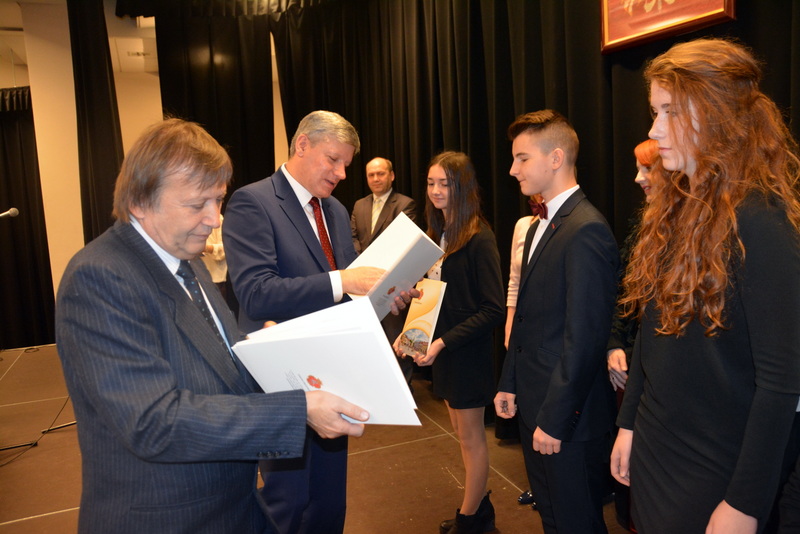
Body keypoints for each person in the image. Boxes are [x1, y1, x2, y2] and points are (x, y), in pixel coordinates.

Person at [54, 118, 369, 534]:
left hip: (231, 507)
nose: (215, 219)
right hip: (167, 518)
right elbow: (154, 423)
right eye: (197, 204)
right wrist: (298, 410)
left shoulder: (188, 263)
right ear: (141, 201)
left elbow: (216, 367)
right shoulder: (99, 276)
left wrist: (266, 349)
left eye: (218, 200)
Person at [610, 38, 800, 534]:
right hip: (657, 445)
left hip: (714, 467)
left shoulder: (762, 221)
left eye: (670, 112)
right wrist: (629, 424)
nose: (654, 129)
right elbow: (653, 332)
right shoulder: (675, 209)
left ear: (718, 115)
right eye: (655, 111)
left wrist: (744, 503)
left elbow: (782, 382)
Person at [223, 110, 413, 534]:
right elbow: (255, 292)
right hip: (282, 379)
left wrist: (387, 295)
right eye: (334, 160)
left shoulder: (335, 210)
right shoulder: (254, 202)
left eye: (346, 164)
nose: (342, 173)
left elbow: (349, 293)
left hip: (332, 375)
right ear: (302, 145)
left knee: (328, 504)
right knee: (286, 502)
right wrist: (343, 279)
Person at [495, 110, 619, 534]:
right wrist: (509, 381)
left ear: (555, 158)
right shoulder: (536, 228)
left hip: (567, 420)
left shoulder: (586, 229)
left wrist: (555, 419)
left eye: (522, 158)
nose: (513, 170)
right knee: (553, 520)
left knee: (576, 523)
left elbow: (585, 338)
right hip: (535, 404)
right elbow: (527, 317)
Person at [394, 151, 504, 534]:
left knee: (471, 440)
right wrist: (411, 334)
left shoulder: (480, 238)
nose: (436, 190)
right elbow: (432, 294)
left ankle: (470, 520)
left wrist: (441, 343)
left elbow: (493, 309)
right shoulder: (438, 234)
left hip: (466, 353)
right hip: (443, 350)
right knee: (462, 436)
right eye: (431, 183)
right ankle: (480, 509)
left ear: (463, 187)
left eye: (445, 183)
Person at [351, 156, 417, 386]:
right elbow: (353, 238)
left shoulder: (405, 204)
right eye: (371, 174)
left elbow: (402, 241)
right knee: (370, 343)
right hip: (362, 285)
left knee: (397, 343)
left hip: (393, 285)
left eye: (381, 173)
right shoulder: (359, 205)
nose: (376, 178)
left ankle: (405, 392)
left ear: (392, 175)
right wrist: (363, 265)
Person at [606, 138, 659, 392]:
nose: (638, 178)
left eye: (647, 169)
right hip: (634, 365)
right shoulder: (643, 225)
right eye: (638, 169)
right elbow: (625, 293)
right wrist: (614, 345)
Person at [503, 195, 543, 511]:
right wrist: (509, 323)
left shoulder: (575, 224)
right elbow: (514, 281)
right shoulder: (522, 225)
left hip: (550, 334)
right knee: (528, 406)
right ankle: (538, 483)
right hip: (522, 326)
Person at [201, 213, 227, 298]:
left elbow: (226, 248)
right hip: (195, 275)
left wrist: (206, 248)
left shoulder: (217, 219)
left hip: (215, 277)